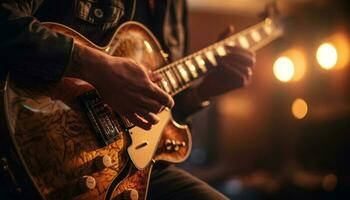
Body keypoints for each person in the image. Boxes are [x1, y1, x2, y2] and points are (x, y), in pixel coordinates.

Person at [0, 0, 255, 199]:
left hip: (130, 169)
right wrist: (93, 67)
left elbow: (155, 112)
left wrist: (204, 91)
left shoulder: (176, 7)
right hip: (33, 143)